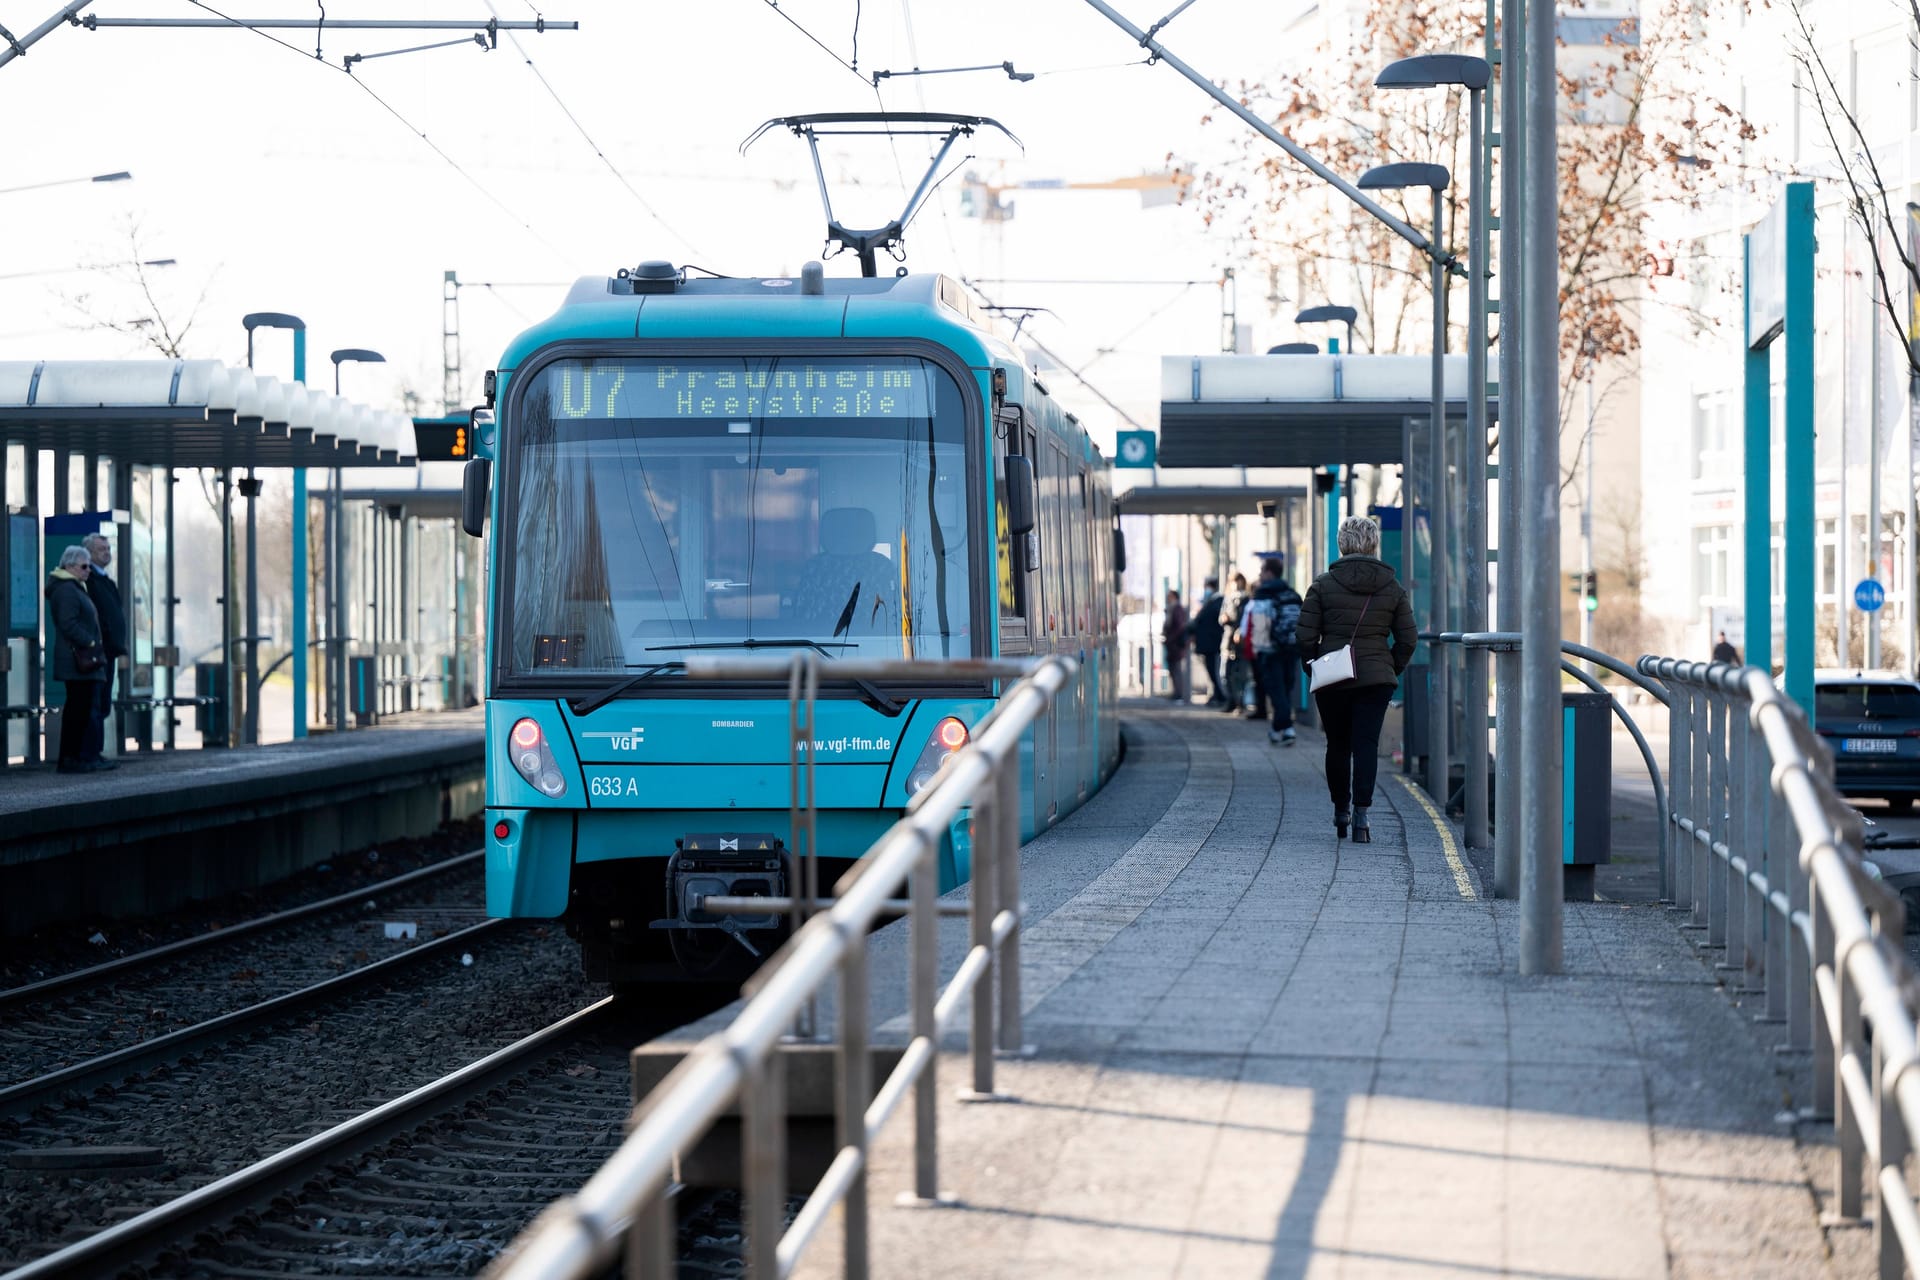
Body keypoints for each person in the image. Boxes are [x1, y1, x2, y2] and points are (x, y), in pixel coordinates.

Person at [1298, 516, 1416, 843]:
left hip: (1333, 678)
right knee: (1366, 745)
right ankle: (1362, 817)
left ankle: (1341, 810)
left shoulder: (1322, 585)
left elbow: (1305, 637)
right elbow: (1408, 639)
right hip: (1376, 679)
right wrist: (1388, 667)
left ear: (1342, 543)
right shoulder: (1392, 587)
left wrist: (1314, 667)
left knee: (1337, 744)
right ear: (1373, 544)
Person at [46, 545, 111, 774]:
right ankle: (70, 758)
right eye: (84, 566)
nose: (88, 571)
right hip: (77, 660)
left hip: (81, 660)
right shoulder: (66, 590)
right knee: (77, 710)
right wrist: (91, 642)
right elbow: (67, 623)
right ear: (70, 566)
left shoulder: (74, 587)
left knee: (82, 709)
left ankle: (78, 756)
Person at [1242, 559, 1304, 745]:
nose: (1260, 574)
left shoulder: (1263, 594)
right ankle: (1280, 729)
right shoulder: (1291, 593)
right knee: (1284, 689)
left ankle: (1288, 728)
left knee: (1276, 691)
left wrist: (1257, 648)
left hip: (1270, 650)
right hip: (1290, 647)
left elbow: (1260, 626)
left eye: (1262, 570)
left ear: (1269, 573)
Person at [82, 533, 128, 766]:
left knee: (103, 701)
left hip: (109, 652)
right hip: (99, 652)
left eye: (108, 548)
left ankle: (95, 752)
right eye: (101, 549)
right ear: (88, 553)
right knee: (96, 702)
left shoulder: (107, 581)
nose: (107, 553)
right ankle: (90, 754)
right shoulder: (90, 581)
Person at [1188, 576, 1226, 705]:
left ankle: (1220, 695)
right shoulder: (1208, 602)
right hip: (1207, 643)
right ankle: (1218, 694)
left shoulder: (1217, 601)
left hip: (1213, 643)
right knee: (1211, 670)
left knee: (1214, 670)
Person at [1219, 572, 1252, 714]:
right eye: (1233, 581)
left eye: (1238, 581)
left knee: (1241, 675)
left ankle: (1240, 703)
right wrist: (1223, 618)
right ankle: (1231, 700)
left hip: (1241, 642)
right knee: (1225, 673)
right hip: (1228, 640)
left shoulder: (1247, 599)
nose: (1236, 584)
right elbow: (1220, 618)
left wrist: (1240, 631)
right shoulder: (1227, 599)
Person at [1161, 588, 1191, 701]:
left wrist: (1171, 638)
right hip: (1172, 644)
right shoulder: (1171, 609)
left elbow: (1179, 627)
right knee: (1173, 669)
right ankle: (1176, 692)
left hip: (1175, 644)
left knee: (1176, 669)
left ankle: (1179, 693)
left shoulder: (1177, 609)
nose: (1167, 598)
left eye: (1169, 596)